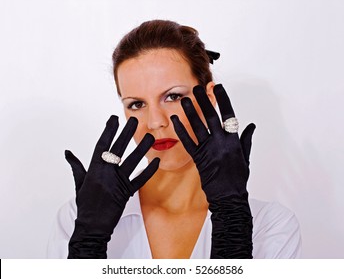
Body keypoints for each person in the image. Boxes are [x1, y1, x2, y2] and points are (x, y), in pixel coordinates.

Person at [47, 19, 302, 259]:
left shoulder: (271, 226)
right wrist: (88, 244)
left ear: (210, 98)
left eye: (173, 97)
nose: (156, 121)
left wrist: (231, 215)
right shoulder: (78, 219)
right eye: (136, 104)